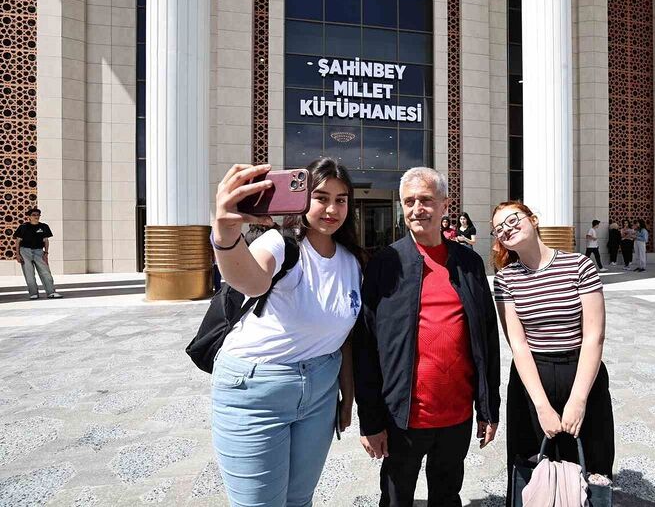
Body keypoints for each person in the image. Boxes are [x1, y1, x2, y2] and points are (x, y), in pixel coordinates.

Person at [210, 158, 366, 507]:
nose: (331, 208)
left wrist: (347, 397)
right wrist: (224, 233)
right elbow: (251, 279)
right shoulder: (280, 244)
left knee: (299, 500)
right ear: (301, 200)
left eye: (341, 199)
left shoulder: (352, 261)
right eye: (321, 197)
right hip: (256, 391)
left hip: (320, 394)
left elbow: (345, 339)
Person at [354, 167, 501, 507]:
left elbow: (486, 341)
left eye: (426, 200)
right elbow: (366, 347)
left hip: (457, 416)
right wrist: (370, 420)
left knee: (447, 496)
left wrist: (488, 407)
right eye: (409, 201)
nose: (417, 208)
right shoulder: (384, 263)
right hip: (401, 417)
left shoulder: (468, 263)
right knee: (395, 498)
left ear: (445, 205)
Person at [489, 202, 614, 505]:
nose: (507, 228)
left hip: (581, 372)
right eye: (499, 228)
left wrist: (578, 400)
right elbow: (518, 346)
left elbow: (594, 336)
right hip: (533, 380)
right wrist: (542, 406)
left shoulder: (579, 265)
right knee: (532, 465)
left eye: (513, 219)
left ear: (533, 219)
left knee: (590, 466)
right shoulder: (506, 279)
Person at [13, 208, 63, 300]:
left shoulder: (44, 227)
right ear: (29, 217)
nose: (36, 217)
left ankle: (51, 292)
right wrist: (18, 254)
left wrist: (46, 253)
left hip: (39, 251)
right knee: (29, 273)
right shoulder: (23, 227)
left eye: (38, 215)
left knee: (45, 272)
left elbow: (46, 240)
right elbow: (18, 241)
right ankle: (33, 293)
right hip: (25, 251)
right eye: (34, 215)